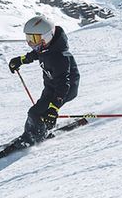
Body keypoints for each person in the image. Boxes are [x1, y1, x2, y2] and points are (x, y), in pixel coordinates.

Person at [8, 14, 80, 146]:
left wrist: (54, 109)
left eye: (34, 38)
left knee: (35, 112)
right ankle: (39, 131)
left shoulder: (60, 56)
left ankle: (32, 138)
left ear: (47, 36)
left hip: (64, 90)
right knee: (38, 112)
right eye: (29, 38)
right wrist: (21, 60)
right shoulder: (46, 47)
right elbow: (36, 54)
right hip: (51, 87)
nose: (31, 42)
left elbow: (64, 84)